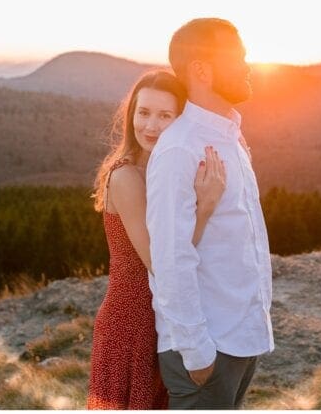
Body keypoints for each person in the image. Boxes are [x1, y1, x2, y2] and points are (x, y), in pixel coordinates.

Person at [146, 18, 274, 409]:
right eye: (238, 57)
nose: (248, 66)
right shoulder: (180, 149)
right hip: (207, 347)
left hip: (240, 336)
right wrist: (196, 351)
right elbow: (170, 259)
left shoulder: (230, 136)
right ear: (202, 69)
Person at [87, 70, 227, 410]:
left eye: (165, 115)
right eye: (143, 112)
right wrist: (205, 207)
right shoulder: (126, 176)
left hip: (160, 313)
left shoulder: (160, 169)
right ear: (130, 113)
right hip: (131, 318)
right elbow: (159, 260)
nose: (150, 126)